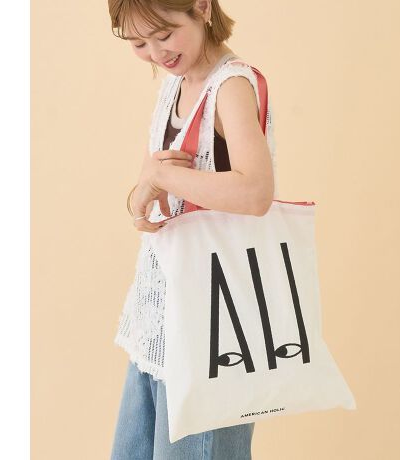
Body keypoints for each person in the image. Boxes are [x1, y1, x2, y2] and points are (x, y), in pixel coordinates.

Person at [107, 1, 276, 458]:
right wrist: (140, 197)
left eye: (164, 34)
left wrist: (162, 177)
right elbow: (151, 181)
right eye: (138, 43)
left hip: (214, 327)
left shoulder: (231, 85)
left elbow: (256, 192)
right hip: (160, 319)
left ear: (201, 7)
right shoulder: (174, 86)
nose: (155, 53)